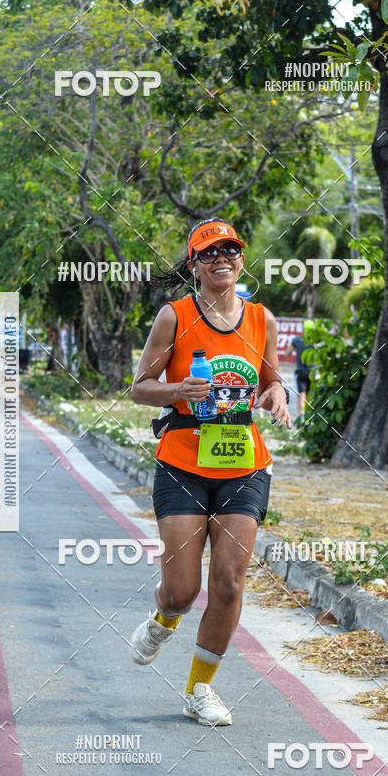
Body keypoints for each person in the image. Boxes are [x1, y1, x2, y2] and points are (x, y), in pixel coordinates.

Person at [129, 217, 291, 727]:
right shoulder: (174, 317)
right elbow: (140, 386)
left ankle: (200, 688)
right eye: (210, 252)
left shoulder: (261, 318)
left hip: (243, 463)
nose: (222, 258)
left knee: (228, 581)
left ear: (241, 260)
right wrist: (177, 392)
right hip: (183, 461)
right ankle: (165, 617)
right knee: (182, 589)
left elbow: (271, 378)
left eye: (231, 250)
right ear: (194, 265)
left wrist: (277, 394)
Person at [292, 318, 314, 417]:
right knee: (310, 396)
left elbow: (287, 353)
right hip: (311, 371)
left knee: (301, 395)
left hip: (300, 370)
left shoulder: (297, 340)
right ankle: (308, 416)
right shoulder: (314, 341)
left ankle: (301, 417)